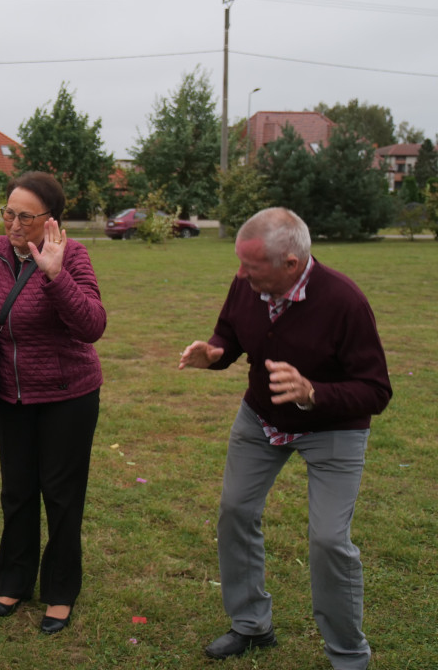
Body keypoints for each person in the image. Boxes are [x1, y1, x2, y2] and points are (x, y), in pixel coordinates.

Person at [178, 207, 391, 669]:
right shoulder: (248, 284)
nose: (240, 274)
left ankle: (349, 656)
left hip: (332, 428)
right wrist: (214, 352)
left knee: (330, 541)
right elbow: (231, 332)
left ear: (290, 264)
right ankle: (251, 624)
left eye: (251, 268)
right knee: (235, 511)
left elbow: (376, 390)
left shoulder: (344, 302)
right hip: (261, 420)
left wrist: (313, 392)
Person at [0, 171, 107, 635]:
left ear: (51, 220)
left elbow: (92, 325)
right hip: (11, 394)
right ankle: (13, 582)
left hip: (68, 395)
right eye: (8, 213)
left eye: (25, 217)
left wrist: (54, 274)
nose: (13, 224)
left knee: (62, 495)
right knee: (17, 492)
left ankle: (60, 591)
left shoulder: (72, 255)